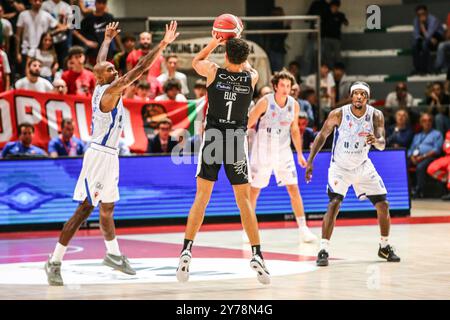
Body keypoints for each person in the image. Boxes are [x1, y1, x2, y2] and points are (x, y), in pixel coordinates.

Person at [44, 21, 179, 286]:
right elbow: (139, 69)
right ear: (104, 78)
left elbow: (101, 62)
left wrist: (106, 40)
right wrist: (162, 45)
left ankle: (114, 255)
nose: (115, 70)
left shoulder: (100, 85)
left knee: (108, 207)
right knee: (85, 209)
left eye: (114, 68)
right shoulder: (111, 90)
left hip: (110, 155)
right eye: (111, 70)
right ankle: (54, 261)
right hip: (99, 156)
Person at [176, 35, 270, 285]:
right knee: (244, 201)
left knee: (202, 198)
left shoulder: (213, 72)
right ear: (245, 57)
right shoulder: (252, 77)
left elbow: (197, 60)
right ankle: (257, 254)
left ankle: (186, 250)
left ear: (225, 55)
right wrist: (235, 38)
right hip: (235, 141)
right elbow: (247, 65)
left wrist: (216, 40)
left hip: (213, 139)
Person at [305, 81, 401, 266]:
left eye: (362, 94)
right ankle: (323, 249)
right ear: (351, 96)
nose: (358, 96)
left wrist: (376, 140)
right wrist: (310, 161)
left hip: (363, 165)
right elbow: (321, 136)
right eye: (355, 93)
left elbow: (382, 144)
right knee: (334, 204)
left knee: (383, 204)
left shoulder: (376, 115)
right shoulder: (338, 114)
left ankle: (384, 246)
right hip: (340, 167)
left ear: (367, 97)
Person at [248, 70, 317, 242]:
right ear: (275, 86)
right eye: (283, 85)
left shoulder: (294, 105)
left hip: (283, 150)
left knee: (293, 188)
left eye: (288, 85)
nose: (286, 89)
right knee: (254, 190)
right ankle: (248, 228)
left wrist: (300, 154)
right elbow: (249, 122)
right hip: (263, 149)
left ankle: (303, 229)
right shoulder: (265, 102)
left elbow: (294, 129)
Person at [15, 0, 66, 74]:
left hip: (41, 51)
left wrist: (49, 35)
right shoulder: (23, 15)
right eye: (35, 0)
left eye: (40, 1)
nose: (38, 2)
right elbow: (18, 35)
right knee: (26, 75)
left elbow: (62, 27)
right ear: (30, 1)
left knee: (42, 75)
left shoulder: (46, 15)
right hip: (26, 50)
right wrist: (17, 53)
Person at [73, 0, 123, 66]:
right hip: (93, 54)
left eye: (103, 3)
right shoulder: (88, 18)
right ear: (95, 4)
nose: (101, 5)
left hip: (108, 52)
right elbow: (75, 31)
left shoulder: (109, 17)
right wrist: (86, 42)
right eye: (99, 3)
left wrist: (121, 48)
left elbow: (116, 34)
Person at [408, 113, 443, 198]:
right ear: (421, 123)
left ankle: (419, 190)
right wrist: (412, 157)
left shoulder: (437, 134)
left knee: (420, 167)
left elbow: (436, 150)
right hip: (416, 158)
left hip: (430, 158)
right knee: (402, 164)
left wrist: (422, 157)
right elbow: (411, 149)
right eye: (424, 121)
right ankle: (409, 189)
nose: (427, 123)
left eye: (429, 120)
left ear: (432, 122)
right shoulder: (417, 135)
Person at [412, 5, 445, 74]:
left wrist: (422, 25)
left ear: (427, 12)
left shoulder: (433, 19)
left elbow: (429, 34)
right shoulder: (416, 20)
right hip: (427, 38)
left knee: (424, 44)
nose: (421, 16)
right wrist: (427, 38)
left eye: (423, 13)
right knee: (414, 44)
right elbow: (416, 35)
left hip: (437, 38)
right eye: (419, 14)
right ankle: (417, 69)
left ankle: (425, 69)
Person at [41, 0, 72, 68]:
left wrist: (56, 31)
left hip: (62, 40)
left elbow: (69, 25)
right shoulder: (45, 5)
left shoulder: (67, 6)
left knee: (62, 63)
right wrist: (58, 30)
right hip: (47, 40)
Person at [321, 0, 348, 68]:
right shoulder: (325, 14)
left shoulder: (340, 15)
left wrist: (344, 21)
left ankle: (339, 69)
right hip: (326, 37)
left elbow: (346, 23)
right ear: (330, 7)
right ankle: (329, 69)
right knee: (327, 55)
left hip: (336, 38)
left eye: (336, 7)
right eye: (333, 7)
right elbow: (321, 23)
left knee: (337, 55)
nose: (334, 8)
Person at [427, 130, 450, 200]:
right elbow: (447, 148)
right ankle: (448, 179)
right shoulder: (449, 133)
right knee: (431, 169)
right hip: (448, 157)